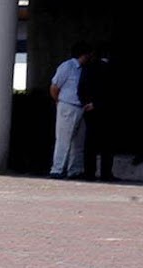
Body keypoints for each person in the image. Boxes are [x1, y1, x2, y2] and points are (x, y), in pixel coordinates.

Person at [49, 42, 92, 178]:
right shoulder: (67, 67)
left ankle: (75, 170)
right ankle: (57, 169)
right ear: (84, 55)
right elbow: (55, 86)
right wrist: (58, 101)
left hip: (80, 107)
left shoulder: (83, 69)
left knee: (78, 142)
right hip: (68, 105)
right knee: (64, 139)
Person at [79, 49, 116, 181]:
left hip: (90, 110)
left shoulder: (88, 68)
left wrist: (86, 103)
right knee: (107, 144)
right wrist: (99, 103)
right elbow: (111, 91)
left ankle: (89, 172)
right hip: (106, 111)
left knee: (90, 143)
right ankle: (106, 173)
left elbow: (81, 87)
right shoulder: (111, 70)